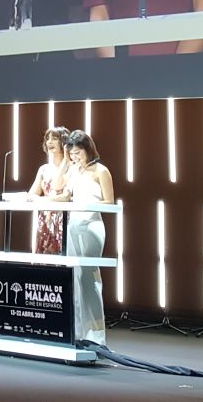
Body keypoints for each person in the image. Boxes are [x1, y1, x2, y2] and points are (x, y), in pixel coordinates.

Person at [55, 129, 114, 345]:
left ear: (88, 149)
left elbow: (109, 201)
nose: (75, 157)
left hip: (91, 225)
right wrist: (66, 161)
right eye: (71, 154)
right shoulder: (74, 170)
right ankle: (77, 332)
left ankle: (96, 336)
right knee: (74, 277)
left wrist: (87, 205)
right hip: (73, 225)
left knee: (90, 279)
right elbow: (60, 188)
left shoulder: (101, 171)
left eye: (78, 153)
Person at [25, 126, 70, 255]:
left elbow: (65, 194)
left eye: (54, 138)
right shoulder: (43, 169)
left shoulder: (72, 167)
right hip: (45, 219)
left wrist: (41, 199)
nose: (49, 142)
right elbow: (32, 194)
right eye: (47, 139)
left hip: (64, 218)